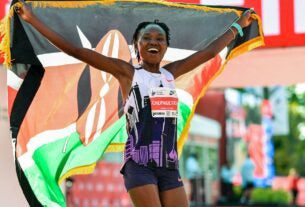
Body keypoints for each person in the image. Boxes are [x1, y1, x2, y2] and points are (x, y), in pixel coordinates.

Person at [16, 1, 253, 206]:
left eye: (159, 38)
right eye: (146, 38)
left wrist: (237, 27)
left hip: (169, 168)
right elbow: (77, 51)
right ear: (137, 46)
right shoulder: (127, 73)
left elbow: (209, 51)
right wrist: (33, 20)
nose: (153, 41)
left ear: (165, 47)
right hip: (139, 167)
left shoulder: (171, 73)